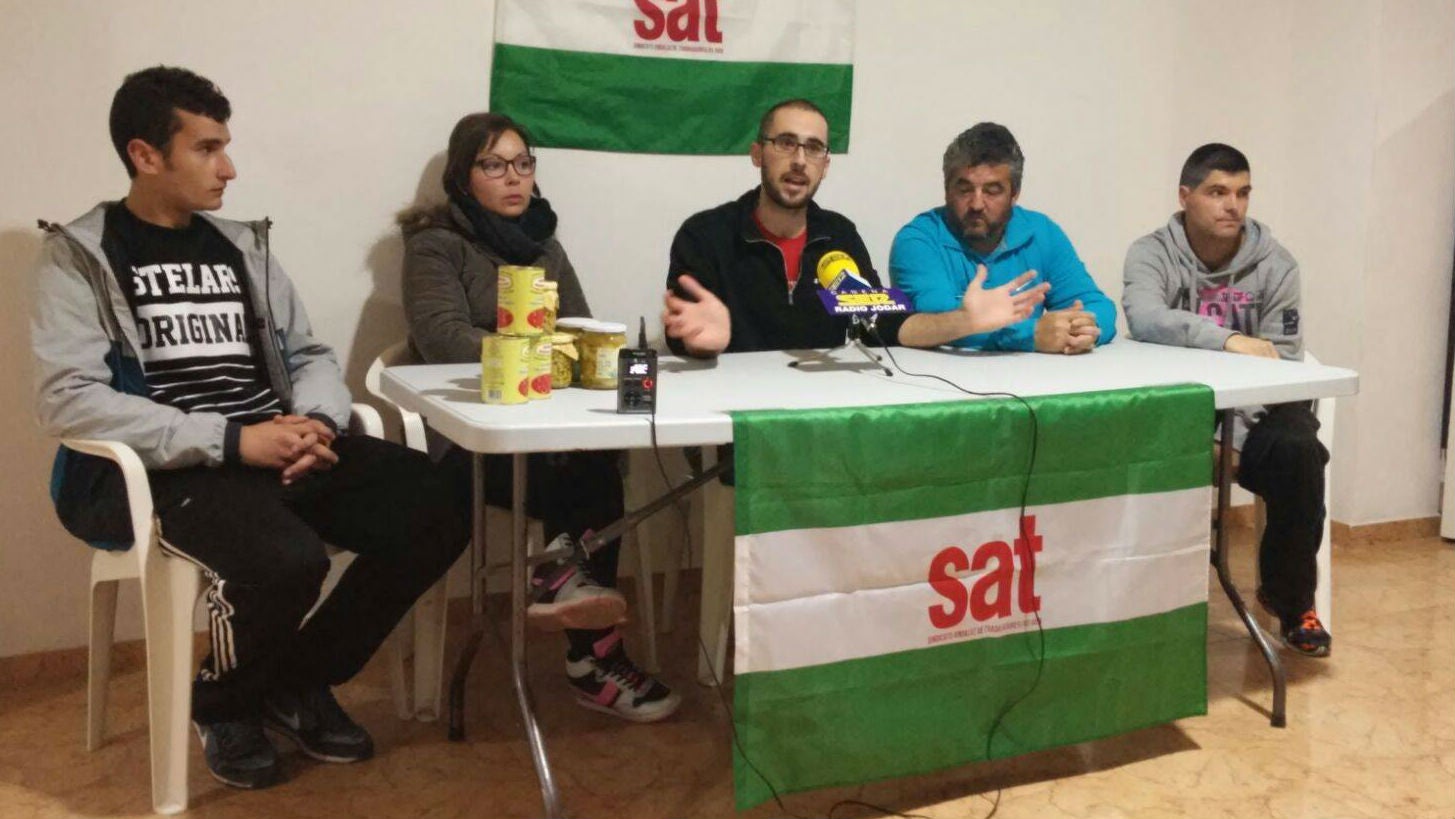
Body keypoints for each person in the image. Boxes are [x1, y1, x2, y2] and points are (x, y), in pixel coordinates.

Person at [30, 66, 470, 790]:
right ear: (145, 155)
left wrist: (318, 422)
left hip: (279, 445)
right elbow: (69, 399)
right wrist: (231, 440)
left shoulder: (242, 247)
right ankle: (223, 701)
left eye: (225, 146)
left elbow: (309, 354)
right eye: (206, 149)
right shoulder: (80, 256)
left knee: (438, 503)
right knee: (284, 558)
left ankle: (294, 680)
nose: (227, 168)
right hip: (165, 469)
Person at [399, 112, 680, 722]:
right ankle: (590, 652)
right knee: (590, 474)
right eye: (493, 164)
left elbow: (576, 327)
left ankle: (568, 590)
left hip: (546, 429)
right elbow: (443, 337)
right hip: (470, 437)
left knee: (599, 454)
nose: (513, 178)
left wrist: (585, 354)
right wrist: (542, 353)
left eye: (524, 164)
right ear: (462, 175)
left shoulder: (545, 245)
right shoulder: (434, 247)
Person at [1122, 143, 1331, 657]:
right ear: (1185, 196)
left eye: (1242, 193)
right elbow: (1145, 319)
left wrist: (1229, 439)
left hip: (1260, 416)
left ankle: (1290, 602)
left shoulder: (1277, 265)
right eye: (1217, 192)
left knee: (1300, 452)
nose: (1232, 206)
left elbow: (1280, 358)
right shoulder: (1152, 253)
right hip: (1182, 407)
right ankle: (1138, 608)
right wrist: (1227, 339)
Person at [661, 99, 1046, 357]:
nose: (799, 160)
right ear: (758, 153)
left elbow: (881, 325)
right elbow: (684, 338)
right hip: (736, 420)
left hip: (824, 421)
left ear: (825, 166)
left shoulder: (838, 236)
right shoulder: (706, 235)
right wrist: (705, 344)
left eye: (813, 148)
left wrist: (965, 322)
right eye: (785, 143)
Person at [889, 122, 1116, 354]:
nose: (977, 204)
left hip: (1032, 381)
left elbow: (1099, 307)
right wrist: (1032, 335)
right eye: (965, 190)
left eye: (992, 191)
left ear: (1014, 194)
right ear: (947, 190)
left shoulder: (1042, 232)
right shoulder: (918, 240)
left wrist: (1083, 330)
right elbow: (935, 321)